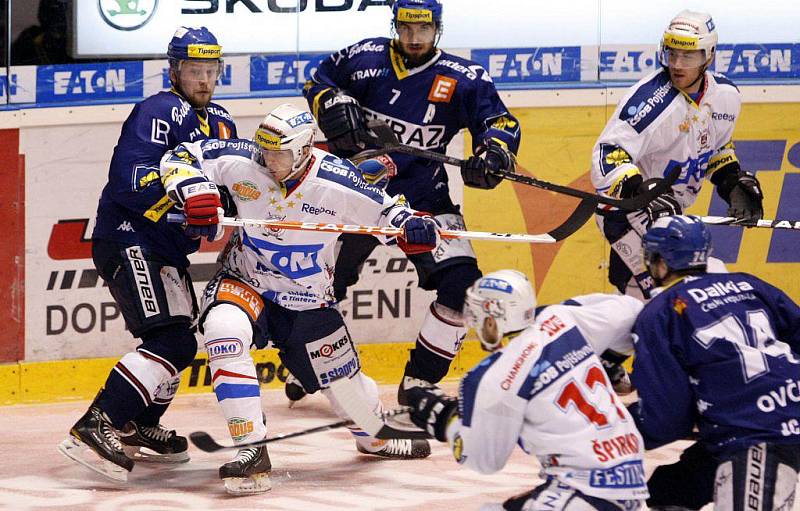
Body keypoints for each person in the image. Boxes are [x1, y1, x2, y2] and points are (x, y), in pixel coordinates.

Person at [160, 103, 435, 494]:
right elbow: (183, 155)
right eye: (265, 150)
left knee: (351, 402)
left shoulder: (338, 181)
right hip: (246, 279)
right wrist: (195, 191)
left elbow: (390, 214)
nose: (269, 160)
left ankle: (376, 434)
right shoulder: (246, 161)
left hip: (309, 301)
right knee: (223, 330)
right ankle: (250, 448)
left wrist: (414, 228)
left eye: (280, 153)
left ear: (305, 150)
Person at [299, 0, 521, 406]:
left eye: (423, 29)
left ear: (437, 28)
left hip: (423, 198)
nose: (414, 38)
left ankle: (419, 382)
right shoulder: (364, 58)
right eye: (406, 28)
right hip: (355, 194)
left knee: (460, 285)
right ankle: (310, 364)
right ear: (395, 25)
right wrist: (329, 102)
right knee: (316, 286)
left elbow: (499, 122)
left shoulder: (463, 78)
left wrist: (495, 152)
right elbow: (317, 80)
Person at [57, 27, 236, 482]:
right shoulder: (159, 109)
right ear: (174, 70)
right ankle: (97, 422)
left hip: (165, 249)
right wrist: (185, 208)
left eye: (211, 71)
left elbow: (231, 187)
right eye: (195, 70)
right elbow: (131, 180)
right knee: (169, 342)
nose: (204, 80)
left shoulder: (221, 121)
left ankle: (140, 424)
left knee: (182, 340)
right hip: (129, 237)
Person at [406, 270, 649, 510]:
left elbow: (485, 460)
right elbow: (633, 310)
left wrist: (446, 420)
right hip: (632, 481)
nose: (474, 321)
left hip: (584, 493)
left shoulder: (493, 376)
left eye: (476, 312)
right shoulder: (564, 318)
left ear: (492, 318)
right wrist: (612, 357)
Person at [628, 215, 800, 510]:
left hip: (756, 435)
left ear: (660, 262)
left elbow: (666, 417)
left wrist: (615, 428)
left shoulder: (661, 312)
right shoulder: (749, 284)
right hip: (773, 418)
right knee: (671, 489)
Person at [590, 10, 763, 301]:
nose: (677, 65)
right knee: (662, 302)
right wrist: (640, 190)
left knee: (691, 300)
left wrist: (731, 182)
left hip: (669, 215)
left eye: (689, 56)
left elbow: (715, 148)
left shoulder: (726, 96)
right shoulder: (649, 101)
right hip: (627, 212)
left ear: (709, 55)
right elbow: (608, 153)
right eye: (671, 54)